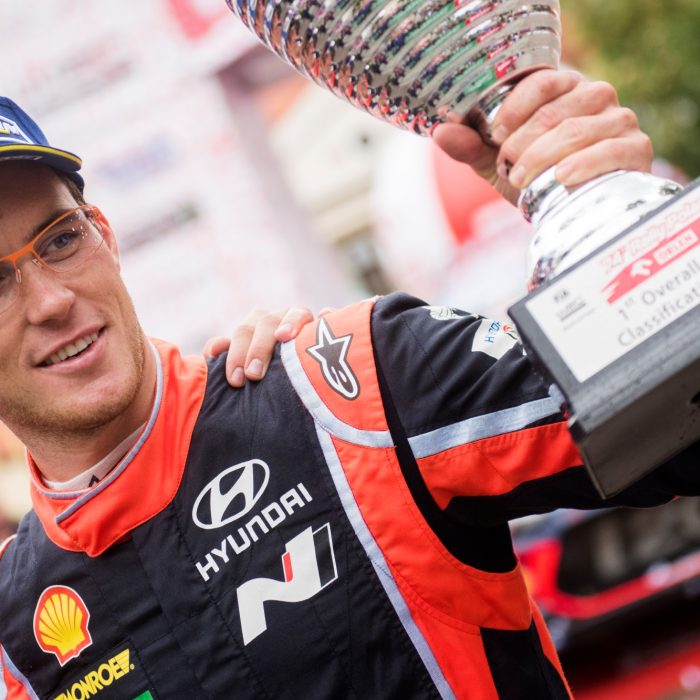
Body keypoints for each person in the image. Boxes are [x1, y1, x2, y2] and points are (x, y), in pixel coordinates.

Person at [0, 71, 693, 700]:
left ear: (104, 236)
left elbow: (677, 424)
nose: (53, 301)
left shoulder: (347, 383)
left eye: (60, 239)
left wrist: (618, 224)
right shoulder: (13, 641)